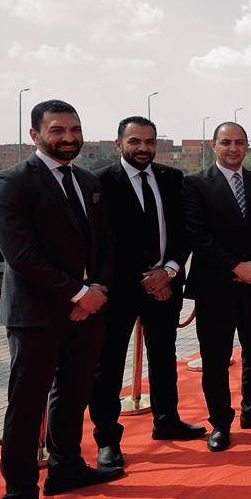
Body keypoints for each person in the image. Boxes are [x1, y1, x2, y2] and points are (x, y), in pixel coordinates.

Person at [0, 100, 121, 499]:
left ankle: (67, 468)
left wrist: (97, 290)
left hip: (87, 312)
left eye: (75, 130)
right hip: (37, 316)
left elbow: (106, 242)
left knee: (74, 394)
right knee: (27, 407)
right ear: (35, 135)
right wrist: (79, 293)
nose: (69, 138)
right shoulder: (10, 182)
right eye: (58, 130)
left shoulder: (88, 181)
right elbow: (21, 255)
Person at [90, 116, 205, 472]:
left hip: (165, 285)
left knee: (164, 355)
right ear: (119, 143)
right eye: (135, 141)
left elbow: (184, 231)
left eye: (149, 142)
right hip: (118, 290)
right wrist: (144, 279)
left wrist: (168, 271)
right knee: (109, 364)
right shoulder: (99, 182)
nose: (143, 148)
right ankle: (107, 439)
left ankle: (167, 420)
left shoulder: (173, 178)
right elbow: (100, 241)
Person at [183, 122, 251, 452]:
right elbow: (197, 234)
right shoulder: (195, 184)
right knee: (216, 358)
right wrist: (236, 266)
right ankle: (220, 422)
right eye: (226, 142)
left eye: (240, 142)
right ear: (213, 145)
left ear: (247, 146)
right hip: (215, 287)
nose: (233, 148)